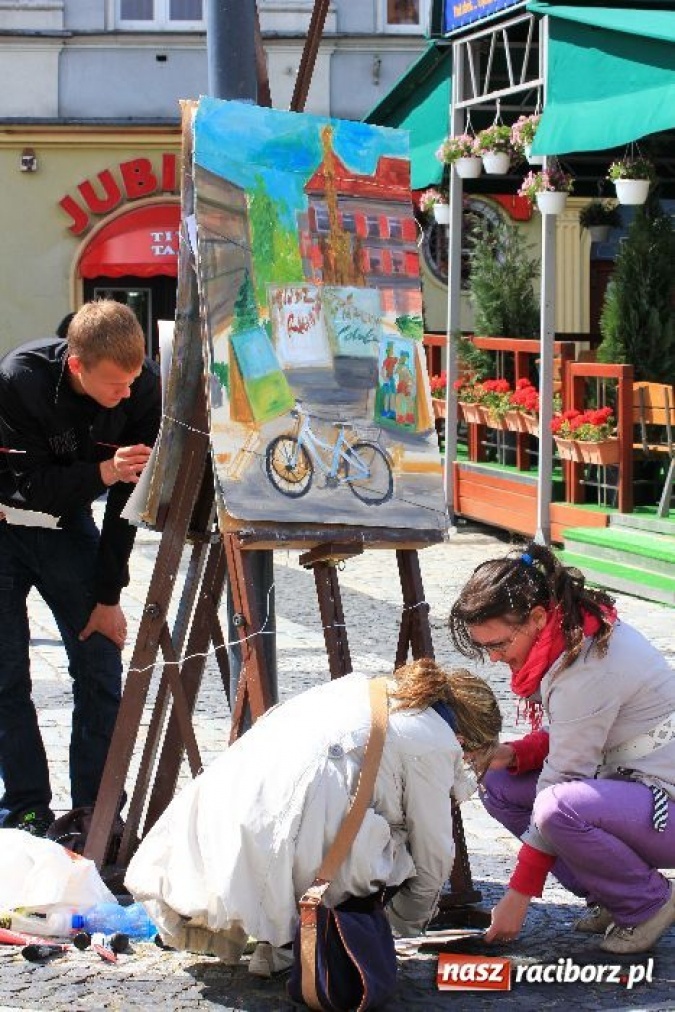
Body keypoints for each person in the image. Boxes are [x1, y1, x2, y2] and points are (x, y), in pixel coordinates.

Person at [125, 659, 502, 975]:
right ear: (466, 741)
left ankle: (280, 936)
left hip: (216, 827)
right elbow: (434, 856)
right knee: (396, 843)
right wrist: (394, 928)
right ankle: (308, 936)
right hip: (273, 839)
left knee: (357, 812)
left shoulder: (364, 689)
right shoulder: (433, 739)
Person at [448, 540, 675, 955]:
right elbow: (584, 733)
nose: (495, 658)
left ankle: (646, 902)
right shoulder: (572, 635)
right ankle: (611, 893)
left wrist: (518, 896)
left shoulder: (587, 667)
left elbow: (566, 776)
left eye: (499, 644)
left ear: (537, 618)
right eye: (485, 648)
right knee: (499, 782)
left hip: (666, 806)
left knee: (558, 807)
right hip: (628, 781)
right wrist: (514, 755)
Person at [0, 300, 161, 836]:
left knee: (99, 663)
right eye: (115, 383)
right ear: (77, 366)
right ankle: (25, 807)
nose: (127, 393)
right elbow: (27, 486)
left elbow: (127, 507)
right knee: (6, 674)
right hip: (4, 522)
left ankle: (98, 809)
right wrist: (102, 471)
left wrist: (109, 595)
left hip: (69, 529)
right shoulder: (19, 379)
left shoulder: (143, 391)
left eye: (134, 379)